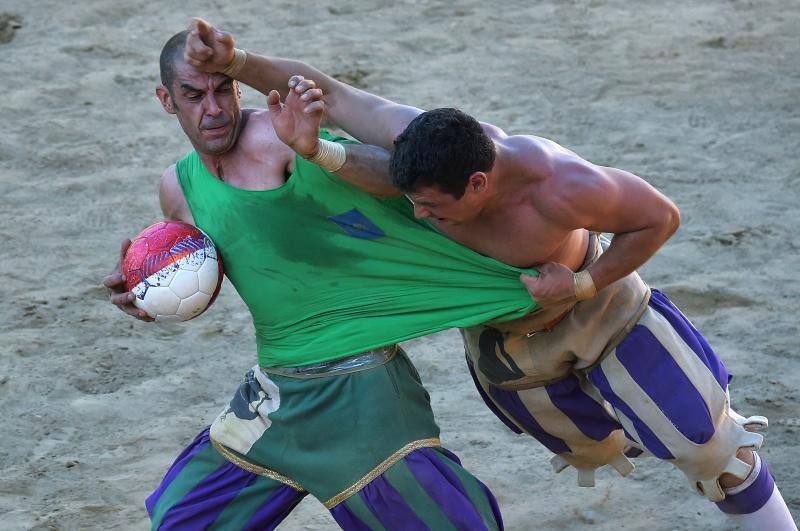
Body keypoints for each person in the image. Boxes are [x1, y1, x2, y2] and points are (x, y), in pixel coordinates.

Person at [182, 18, 797, 530]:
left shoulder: (559, 184)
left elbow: (660, 218)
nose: (418, 218)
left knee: (711, 446)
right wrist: (237, 62)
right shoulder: (416, 141)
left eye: (433, 209)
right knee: (597, 449)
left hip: (601, 309)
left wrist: (582, 283)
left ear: (478, 185)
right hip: (505, 343)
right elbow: (333, 93)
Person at [102, 25, 565, 531]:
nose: (213, 109)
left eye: (222, 90)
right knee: (179, 521)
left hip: (360, 392)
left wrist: (318, 149)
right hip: (277, 398)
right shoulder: (177, 187)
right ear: (166, 100)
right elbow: (203, 273)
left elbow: (401, 176)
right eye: (194, 96)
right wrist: (147, 295)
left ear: (237, 87)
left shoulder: (272, 136)